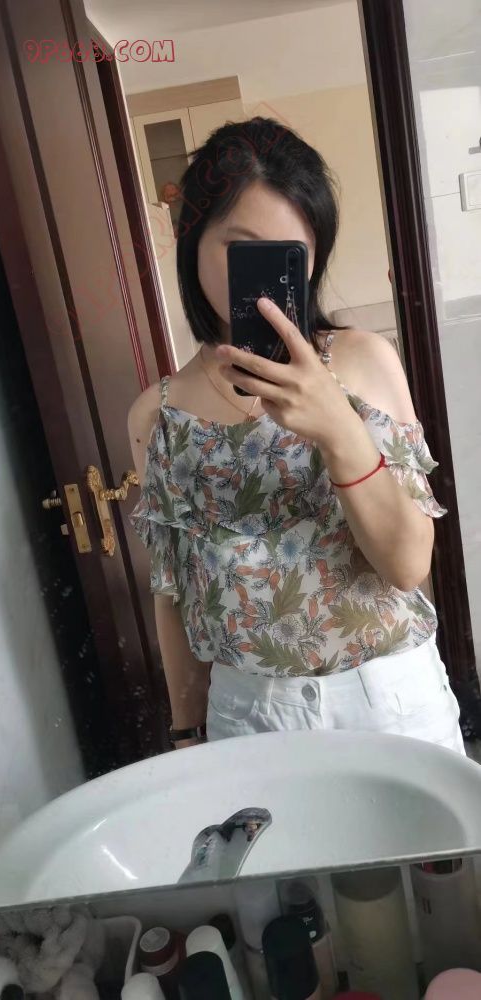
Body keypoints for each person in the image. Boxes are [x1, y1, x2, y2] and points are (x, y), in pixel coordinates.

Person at [128, 116, 464, 755]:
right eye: (240, 249)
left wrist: (337, 425)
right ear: (189, 239)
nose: (261, 284)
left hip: (388, 699)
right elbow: (172, 594)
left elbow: (407, 565)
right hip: (246, 715)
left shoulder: (363, 362)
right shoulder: (156, 416)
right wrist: (184, 729)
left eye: (288, 257)